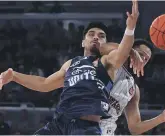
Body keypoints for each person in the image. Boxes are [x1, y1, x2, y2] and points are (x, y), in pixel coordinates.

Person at [0, 0, 140, 135]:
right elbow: (44, 84)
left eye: (101, 36)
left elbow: (122, 52)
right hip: (59, 125)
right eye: (91, 34)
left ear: (105, 43)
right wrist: (14, 76)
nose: (96, 37)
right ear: (83, 42)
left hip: (85, 127)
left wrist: (130, 28)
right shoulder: (71, 63)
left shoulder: (107, 62)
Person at [99, 39, 165, 135]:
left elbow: (135, 128)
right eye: (140, 54)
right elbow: (101, 48)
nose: (142, 60)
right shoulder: (112, 60)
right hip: (83, 123)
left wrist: (161, 118)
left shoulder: (134, 89)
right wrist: (130, 51)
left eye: (146, 59)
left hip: (105, 131)